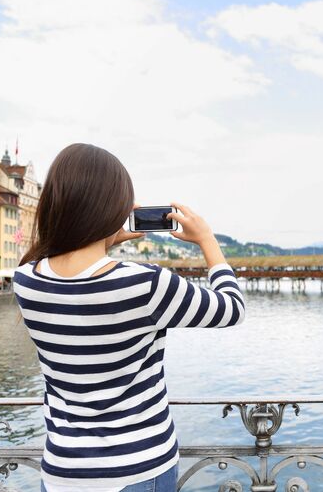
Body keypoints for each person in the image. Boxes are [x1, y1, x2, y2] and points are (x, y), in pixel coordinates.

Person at [13, 143, 245, 492]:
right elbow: (232, 308)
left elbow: (79, 282)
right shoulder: (146, 283)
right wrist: (207, 240)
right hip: (138, 469)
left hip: (62, 470)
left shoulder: (26, 280)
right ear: (113, 210)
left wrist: (103, 241)